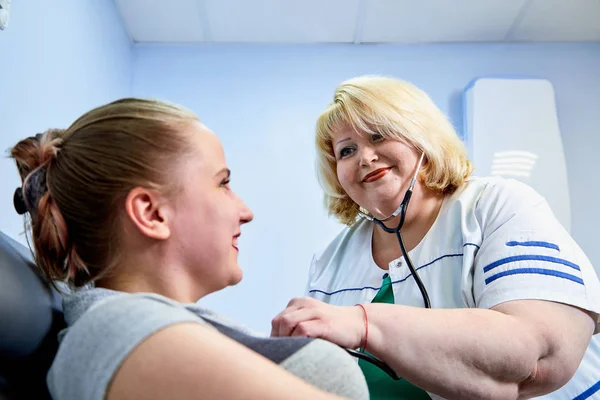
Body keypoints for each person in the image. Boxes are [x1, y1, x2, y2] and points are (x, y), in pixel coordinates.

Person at [10, 98, 369, 400]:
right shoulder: (115, 329)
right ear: (151, 213)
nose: (245, 212)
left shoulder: (144, 326)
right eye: (223, 183)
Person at [271, 76, 600, 400]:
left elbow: (538, 357)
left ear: (420, 135)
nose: (365, 157)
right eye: (346, 151)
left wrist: (365, 323)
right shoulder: (330, 261)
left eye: (379, 135)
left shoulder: (497, 205)